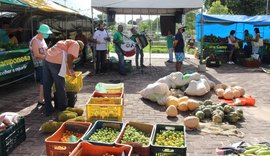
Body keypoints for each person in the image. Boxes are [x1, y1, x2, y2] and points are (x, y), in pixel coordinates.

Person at [43, 39, 84, 116]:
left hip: (47, 60)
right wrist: (71, 70)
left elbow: (65, 62)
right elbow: (69, 57)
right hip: (55, 62)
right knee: (60, 86)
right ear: (80, 48)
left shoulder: (65, 43)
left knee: (47, 86)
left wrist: (69, 72)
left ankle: (48, 109)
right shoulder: (76, 44)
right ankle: (63, 109)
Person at [29, 24, 52, 105]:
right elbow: (36, 55)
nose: (47, 35)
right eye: (46, 33)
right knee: (43, 81)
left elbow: (45, 50)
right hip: (39, 64)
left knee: (46, 80)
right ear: (41, 32)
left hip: (45, 63)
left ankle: (48, 95)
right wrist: (47, 57)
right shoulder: (35, 40)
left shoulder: (42, 39)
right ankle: (40, 99)